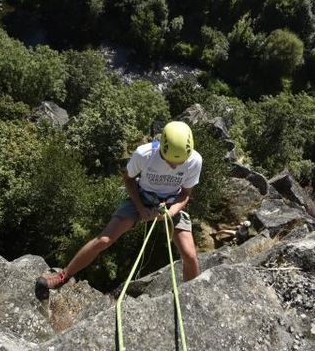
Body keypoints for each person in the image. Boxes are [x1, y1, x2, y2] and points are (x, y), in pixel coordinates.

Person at [35, 121, 203, 300]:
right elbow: (129, 180)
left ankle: (191, 296)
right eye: (168, 160)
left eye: (178, 162)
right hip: (142, 198)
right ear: (161, 148)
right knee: (104, 240)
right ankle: (63, 275)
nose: (173, 166)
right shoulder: (144, 154)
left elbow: (185, 194)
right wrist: (140, 208)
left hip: (171, 204)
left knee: (190, 255)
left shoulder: (194, 161)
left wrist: (171, 211)